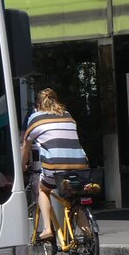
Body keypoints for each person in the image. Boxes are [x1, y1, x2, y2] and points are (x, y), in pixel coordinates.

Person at [22, 88, 89, 239]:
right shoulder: (67, 115)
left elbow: (26, 144)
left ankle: (47, 229)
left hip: (55, 167)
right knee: (72, 196)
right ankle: (88, 234)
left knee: (43, 190)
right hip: (80, 165)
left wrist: (23, 165)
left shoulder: (35, 117)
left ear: (38, 104)